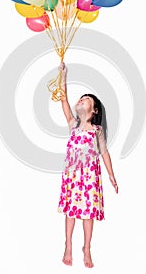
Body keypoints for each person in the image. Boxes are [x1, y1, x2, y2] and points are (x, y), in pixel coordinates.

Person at [57, 61, 119, 268]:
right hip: (73, 177)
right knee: (71, 211)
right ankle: (68, 244)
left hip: (90, 178)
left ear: (94, 111)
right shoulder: (72, 124)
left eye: (87, 100)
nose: (82, 100)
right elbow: (63, 99)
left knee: (88, 212)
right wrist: (63, 76)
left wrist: (111, 175)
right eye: (81, 99)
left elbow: (104, 152)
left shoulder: (97, 130)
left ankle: (87, 247)